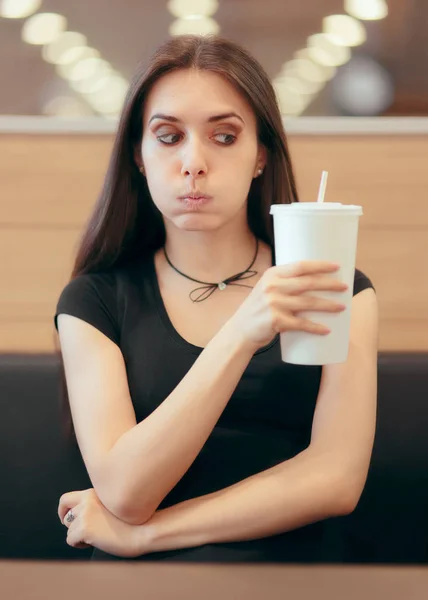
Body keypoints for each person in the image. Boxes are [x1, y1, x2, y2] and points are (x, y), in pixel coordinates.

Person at [54, 34, 378, 563]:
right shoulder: (94, 300)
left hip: (295, 577)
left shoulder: (336, 287)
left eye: (224, 137)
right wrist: (242, 333)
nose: (193, 163)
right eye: (168, 136)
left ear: (259, 157)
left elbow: (335, 479)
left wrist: (148, 535)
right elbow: (124, 492)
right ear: (138, 155)